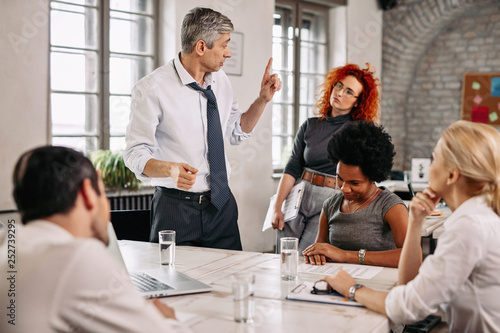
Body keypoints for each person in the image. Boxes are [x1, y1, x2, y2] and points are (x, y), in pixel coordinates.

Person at [124, 7, 281, 250]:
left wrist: (262, 100)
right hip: (175, 209)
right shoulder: (151, 88)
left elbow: (236, 131)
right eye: (225, 44)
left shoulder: (221, 80)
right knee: (174, 283)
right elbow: (134, 153)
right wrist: (170, 169)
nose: (228, 53)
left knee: (229, 281)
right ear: (201, 47)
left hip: (221, 206)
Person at [324, 120, 500, 332]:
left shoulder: (469, 228)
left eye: (435, 159)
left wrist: (352, 289)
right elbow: (409, 285)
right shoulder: (476, 216)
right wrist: (416, 221)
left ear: (452, 175)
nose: (429, 167)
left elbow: (409, 308)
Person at [0, 146, 190, 332]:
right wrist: (168, 320)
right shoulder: (76, 256)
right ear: (87, 192)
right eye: (102, 191)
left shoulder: (7, 241)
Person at [272, 63, 380, 253]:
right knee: (284, 256)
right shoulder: (310, 125)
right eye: (339, 86)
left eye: (349, 92)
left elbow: (366, 175)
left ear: (357, 101)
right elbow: (292, 167)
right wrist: (277, 206)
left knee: (308, 258)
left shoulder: (359, 131)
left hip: (330, 198)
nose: (340, 93)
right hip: (298, 193)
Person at [302, 121, 409, 268]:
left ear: (373, 177)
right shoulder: (330, 205)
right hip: (337, 282)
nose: (344, 189)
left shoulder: (390, 206)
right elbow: (320, 247)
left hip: (378, 284)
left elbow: (410, 256)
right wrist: (317, 254)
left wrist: (346, 255)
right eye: (340, 178)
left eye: (354, 183)